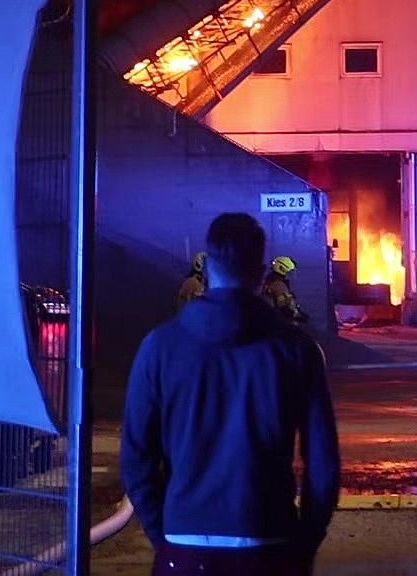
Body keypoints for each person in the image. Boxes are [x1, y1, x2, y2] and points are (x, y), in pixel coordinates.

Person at [122, 213, 339, 575]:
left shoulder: (158, 348)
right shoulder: (298, 350)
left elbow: (136, 459)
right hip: (271, 540)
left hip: (184, 544)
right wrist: (303, 544)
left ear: (208, 267)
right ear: (260, 273)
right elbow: (323, 463)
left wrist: (166, 536)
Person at [262, 255, 309, 326]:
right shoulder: (278, 285)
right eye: (289, 272)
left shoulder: (271, 281)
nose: (290, 275)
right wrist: (300, 317)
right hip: (279, 324)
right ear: (282, 269)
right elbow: (285, 309)